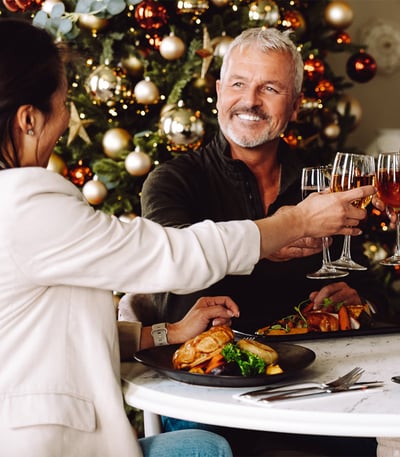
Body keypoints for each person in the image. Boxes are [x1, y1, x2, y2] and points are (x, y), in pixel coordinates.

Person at [0, 19, 374, 457]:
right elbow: (174, 256)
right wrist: (294, 224)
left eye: (270, 88)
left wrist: (169, 332)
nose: (67, 119)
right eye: (64, 103)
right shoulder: (29, 207)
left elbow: (67, 329)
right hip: (36, 443)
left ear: (294, 103)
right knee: (209, 447)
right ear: (28, 119)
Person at [135, 27, 388, 456]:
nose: (249, 100)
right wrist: (270, 242)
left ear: (294, 105)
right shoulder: (173, 182)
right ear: (218, 91)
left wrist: (355, 300)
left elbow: (369, 287)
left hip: (316, 386)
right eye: (238, 84)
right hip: (211, 392)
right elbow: (177, 281)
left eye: (269, 88)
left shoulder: (322, 188)